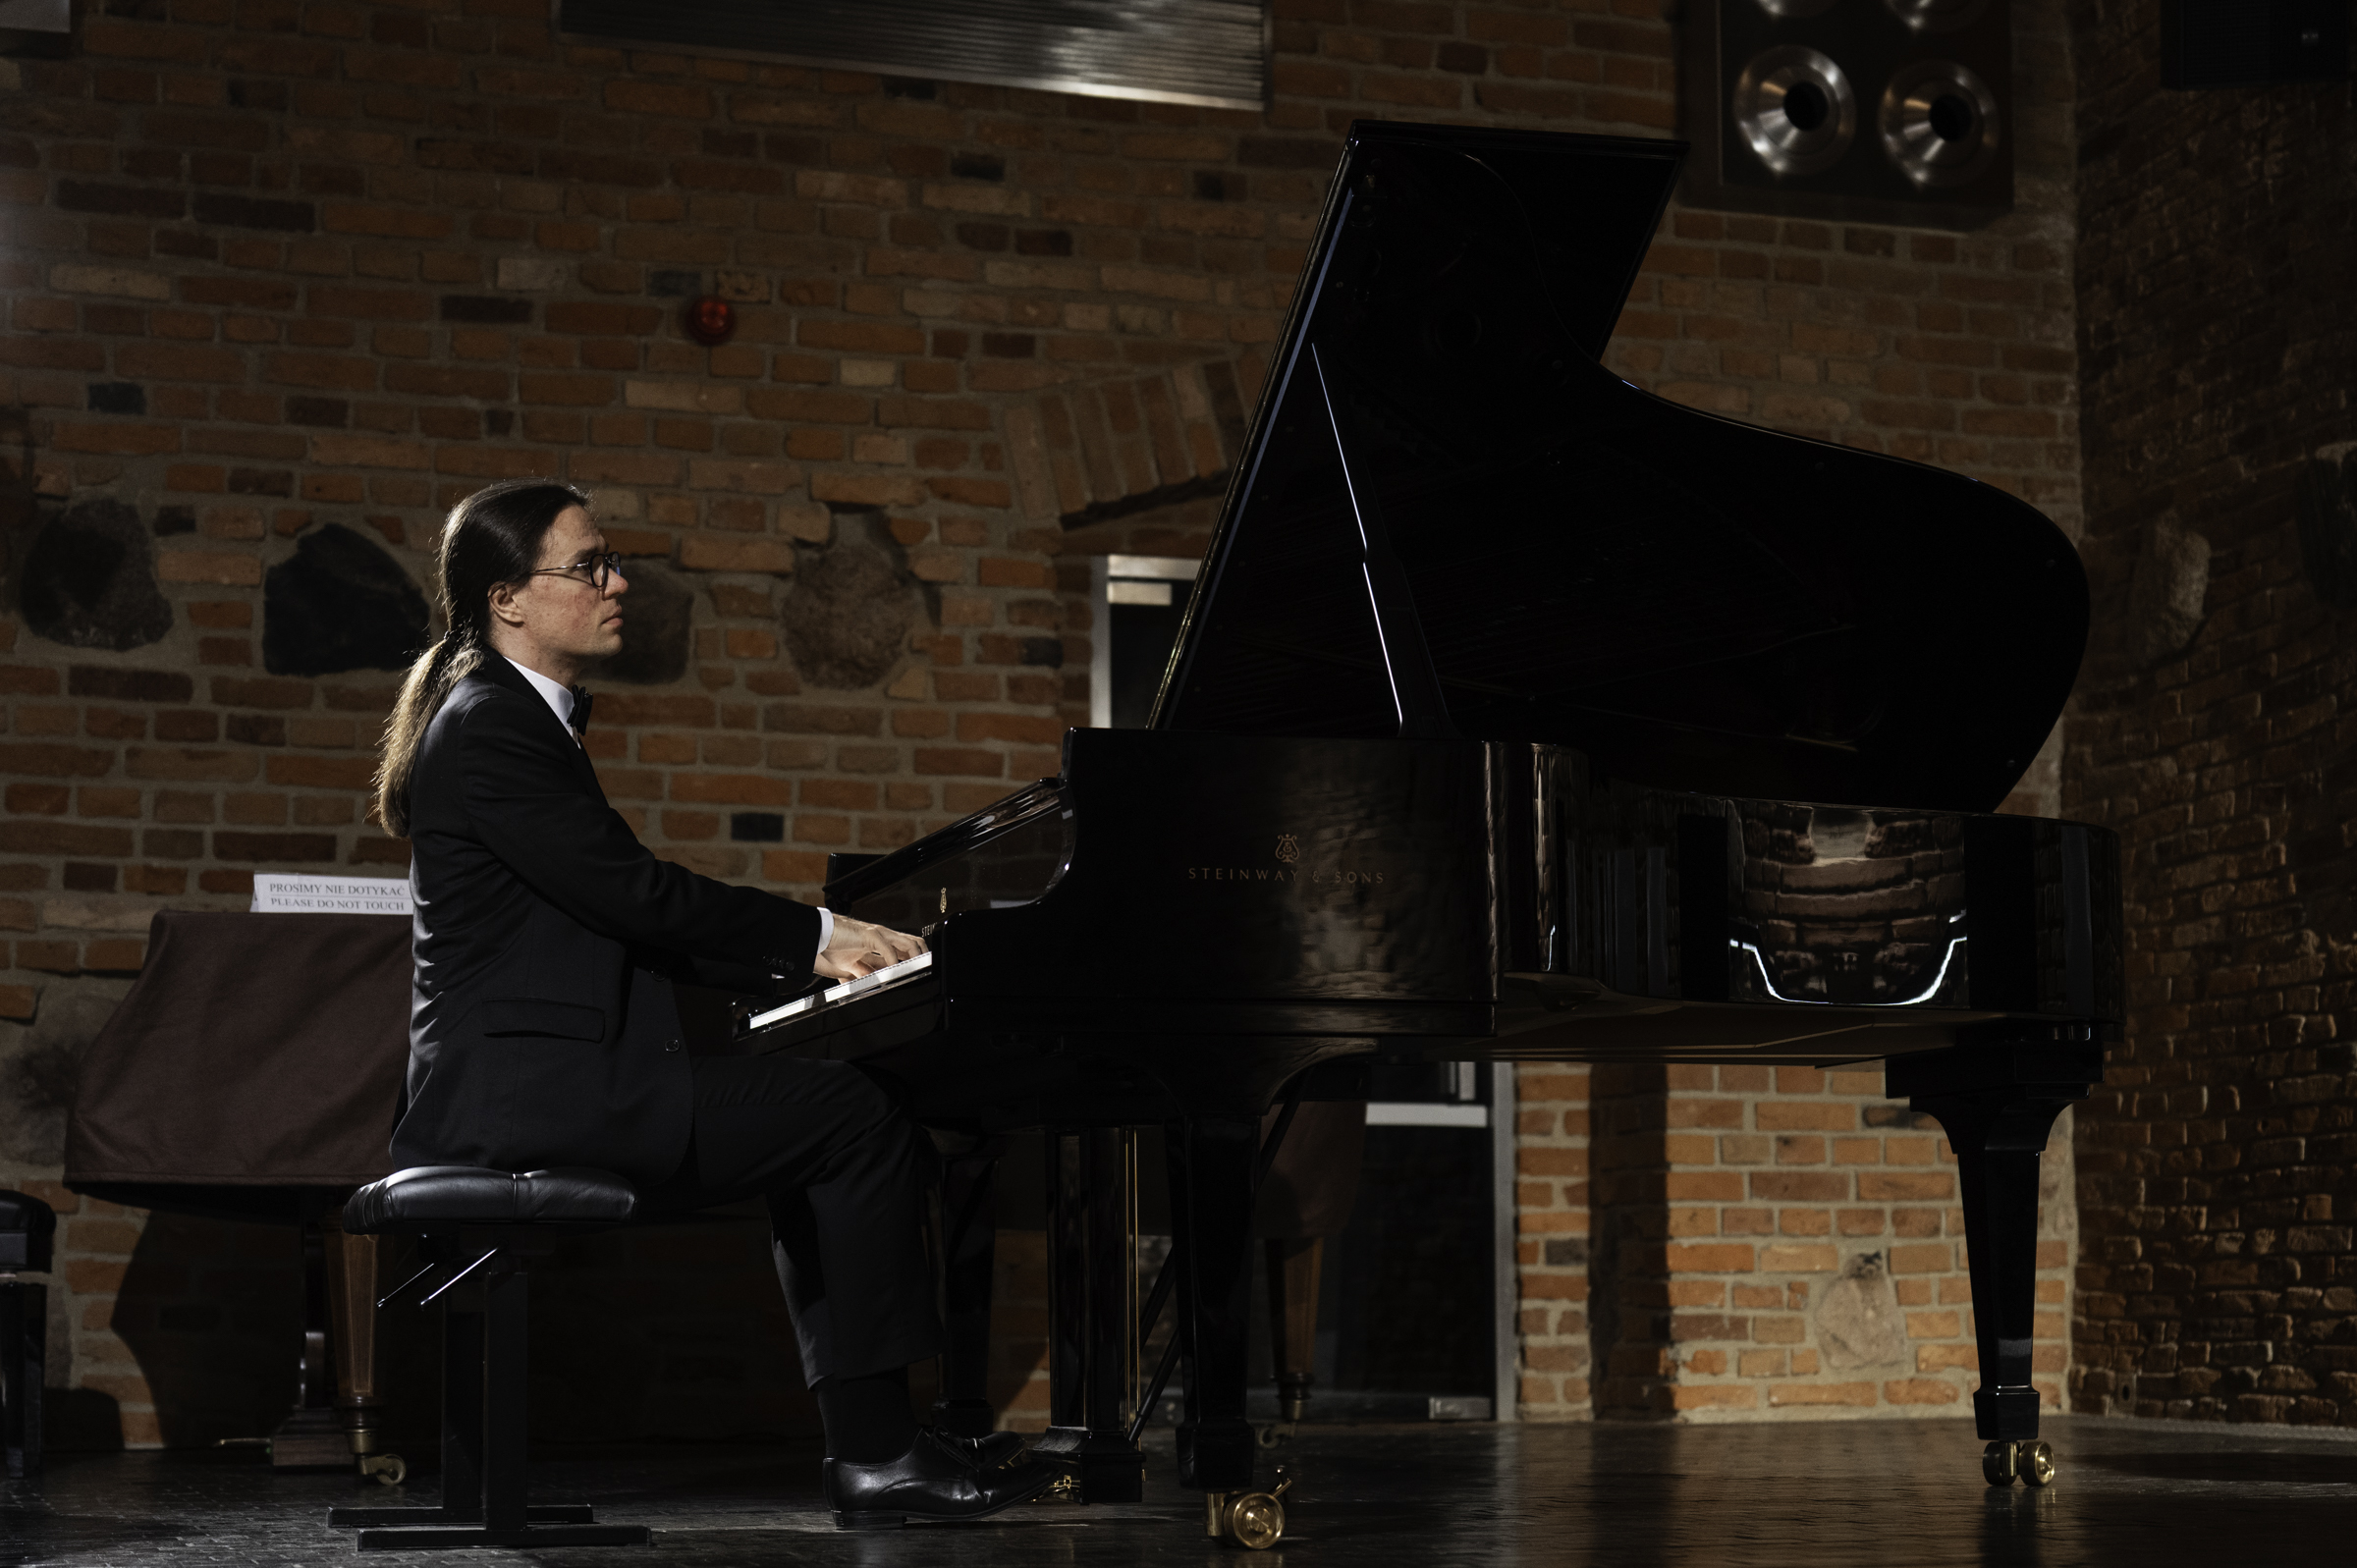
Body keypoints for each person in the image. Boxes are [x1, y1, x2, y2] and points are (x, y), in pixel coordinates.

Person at [371, 477, 1052, 1529]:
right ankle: (877, 1454)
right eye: (588, 565)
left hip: (538, 1083)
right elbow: (634, 894)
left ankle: (879, 1446)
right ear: (509, 597)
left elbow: (617, 910)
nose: (618, 580)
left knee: (823, 1112)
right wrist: (818, 942)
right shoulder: (492, 724)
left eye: (610, 558)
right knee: (853, 1115)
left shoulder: (502, 716)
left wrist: (796, 972)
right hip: (527, 1096)